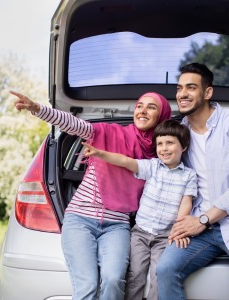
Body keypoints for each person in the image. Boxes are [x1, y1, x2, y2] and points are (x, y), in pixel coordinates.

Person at [11, 90, 171, 300]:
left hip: (117, 225)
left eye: (152, 107)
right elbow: (73, 124)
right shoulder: (108, 132)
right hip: (80, 220)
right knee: (87, 286)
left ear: (161, 115)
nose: (143, 111)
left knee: (113, 280)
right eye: (140, 105)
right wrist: (37, 109)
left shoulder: (161, 155)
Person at [156, 63, 229, 300]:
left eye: (191, 88)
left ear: (208, 93)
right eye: (179, 88)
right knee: (166, 270)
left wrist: (202, 220)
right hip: (199, 226)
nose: (182, 94)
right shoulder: (179, 133)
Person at [82, 119, 197, 300]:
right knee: (135, 275)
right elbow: (125, 161)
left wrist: (180, 229)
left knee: (159, 275)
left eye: (170, 143)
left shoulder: (189, 175)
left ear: (183, 147)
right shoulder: (151, 166)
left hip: (164, 236)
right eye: (160, 144)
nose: (164, 148)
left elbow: (186, 202)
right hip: (140, 233)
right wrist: (100, 154)